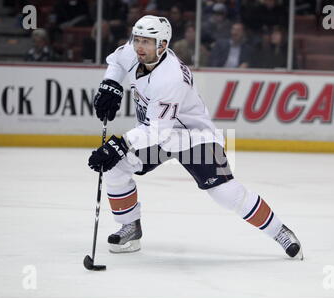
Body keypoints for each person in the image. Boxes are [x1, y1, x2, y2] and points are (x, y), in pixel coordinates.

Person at [88, 15, 303, 259]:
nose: (139, 46)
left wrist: (120, 144)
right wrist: (110, 85)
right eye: (137, 40)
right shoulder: (135, 52)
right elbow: (116, 62)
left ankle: (280, 231)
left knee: (225, 193)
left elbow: (157, 130)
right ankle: (130, 226)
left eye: (146, 42)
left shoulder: (171, 78)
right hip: (158, 133)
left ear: (162, 45)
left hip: (194, 137)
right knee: (115, 166)